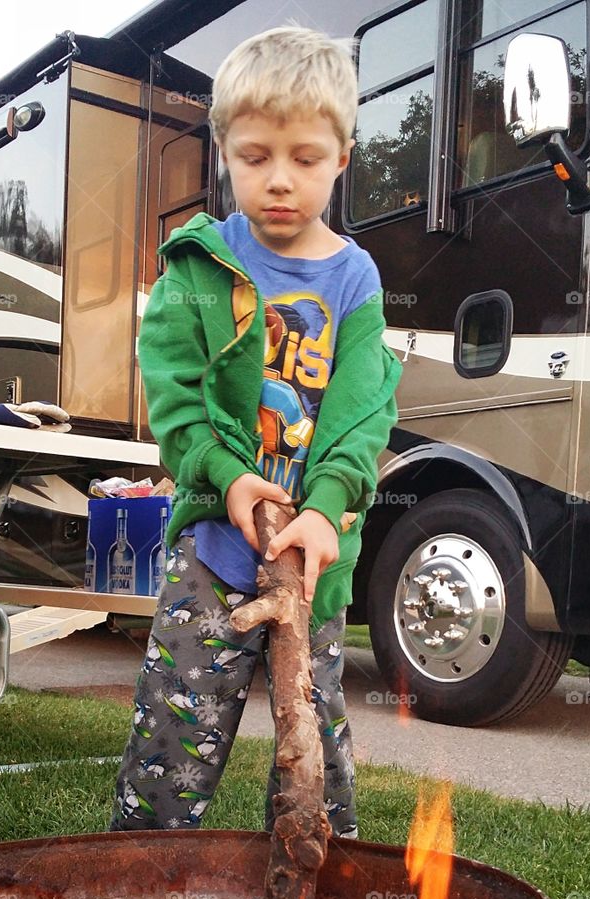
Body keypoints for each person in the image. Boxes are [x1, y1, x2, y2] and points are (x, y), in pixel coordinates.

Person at [110, 24, 402, 836]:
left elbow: (365, 410)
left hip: (311, 568)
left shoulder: (355, 279)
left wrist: (329, 504)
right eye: (254, 157)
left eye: (305, 159)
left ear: (342, 157)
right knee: (171, 742)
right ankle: (142, 886)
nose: (280, 181)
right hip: (213, 555)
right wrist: (224, 475)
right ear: (224, 154)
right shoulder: (200, 265)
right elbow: (173, 396)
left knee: (318, 743)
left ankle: (329, 889)